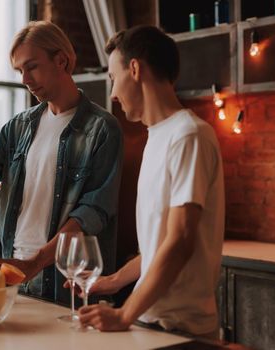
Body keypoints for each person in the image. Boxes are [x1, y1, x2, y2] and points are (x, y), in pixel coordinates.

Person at [0, 21, 123, 303]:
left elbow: (93, 213)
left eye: (31, 67)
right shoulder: (19, 127)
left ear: (62, 61)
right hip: (10, 278)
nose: (24, 79)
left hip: (65, 284)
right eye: (19, 71)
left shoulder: (102, 129)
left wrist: (35, 263)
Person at [76, 25, 225, 339]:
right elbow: (160, 244)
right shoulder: (157, 137)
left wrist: (124, 314)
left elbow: (181, 240)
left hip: (180, 331)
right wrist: (113, 281)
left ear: (134, 69)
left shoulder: (189, 135)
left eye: (114, 78)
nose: (113, 93)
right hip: (150, 324)